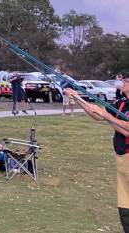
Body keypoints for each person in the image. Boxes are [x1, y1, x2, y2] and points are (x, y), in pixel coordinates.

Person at [65, 78, 129, 232]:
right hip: (122, 160)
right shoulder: (121, 102)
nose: (124, 82)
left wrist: (108, 118)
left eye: (127, 81)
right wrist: (77, 97)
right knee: (125, 207)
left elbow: (127, 129)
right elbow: (98, 115)